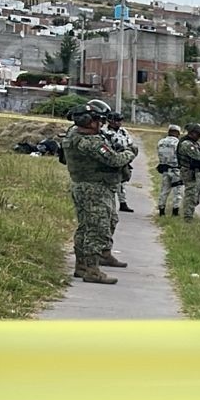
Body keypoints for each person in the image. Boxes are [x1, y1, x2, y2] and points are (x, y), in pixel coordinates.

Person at [59, 101, 137, 284]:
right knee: (97, 229)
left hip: (84, 186)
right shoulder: (90, 142)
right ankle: (93, 271)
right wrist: (130, 152)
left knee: (85, 228)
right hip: (95, 189)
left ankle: (82, 266)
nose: (100, 124)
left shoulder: (72, 136)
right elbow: (115, 160)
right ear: (87, 121)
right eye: (96, 120)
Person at [175, 123, 200, 220]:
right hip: (189, 172)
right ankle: (188, 216)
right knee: (190, 194)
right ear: (192, 133)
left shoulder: (193, 143)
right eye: (198, 134)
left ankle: (190, 213)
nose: (199, 137)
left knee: (195, 194)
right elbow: (198, 156)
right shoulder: (187, 144)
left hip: (194, 172)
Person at [105, 112, 134, 213]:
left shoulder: (123, 132)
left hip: (123, 158)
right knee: (111, 183)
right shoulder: (105, 132)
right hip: (111, 158)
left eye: (120, 121)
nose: (119, 123)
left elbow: (130, 143)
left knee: (122, 182)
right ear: (111, 121)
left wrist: (128, 154)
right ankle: (111, 203)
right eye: (117, 121)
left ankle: (123, 203)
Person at [155, 124, 183, 216]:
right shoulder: (178, 143)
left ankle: (161, 210)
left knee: (164, 190)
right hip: (176, 171)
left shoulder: (160, 142)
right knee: (177, 192)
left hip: (165, 169)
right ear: (177, 133)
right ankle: (175, 211)